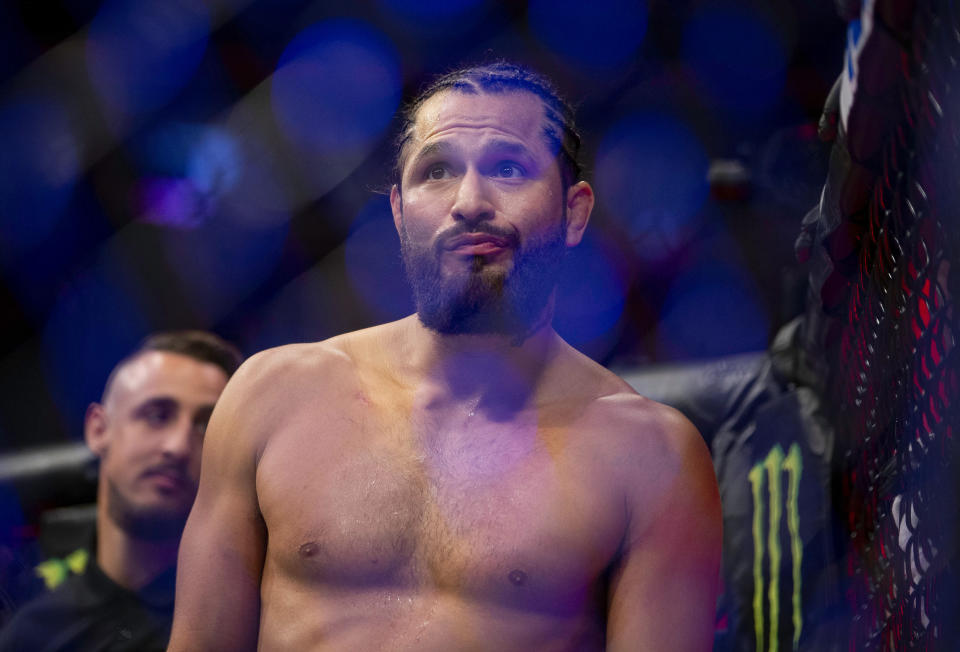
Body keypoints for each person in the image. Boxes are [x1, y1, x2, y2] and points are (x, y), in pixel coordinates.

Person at [169, 62, 722, 651]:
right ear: (400, 212)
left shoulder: (650, 455)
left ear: (574, 213)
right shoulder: (272, 395)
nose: (470, 202)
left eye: (509, 168)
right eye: (437, 171)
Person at [0, 331, 242, 651]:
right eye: (157, 415)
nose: (178, 446)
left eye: (206, 426)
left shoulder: (248, 621)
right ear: (99, 429)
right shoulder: (33, 634)